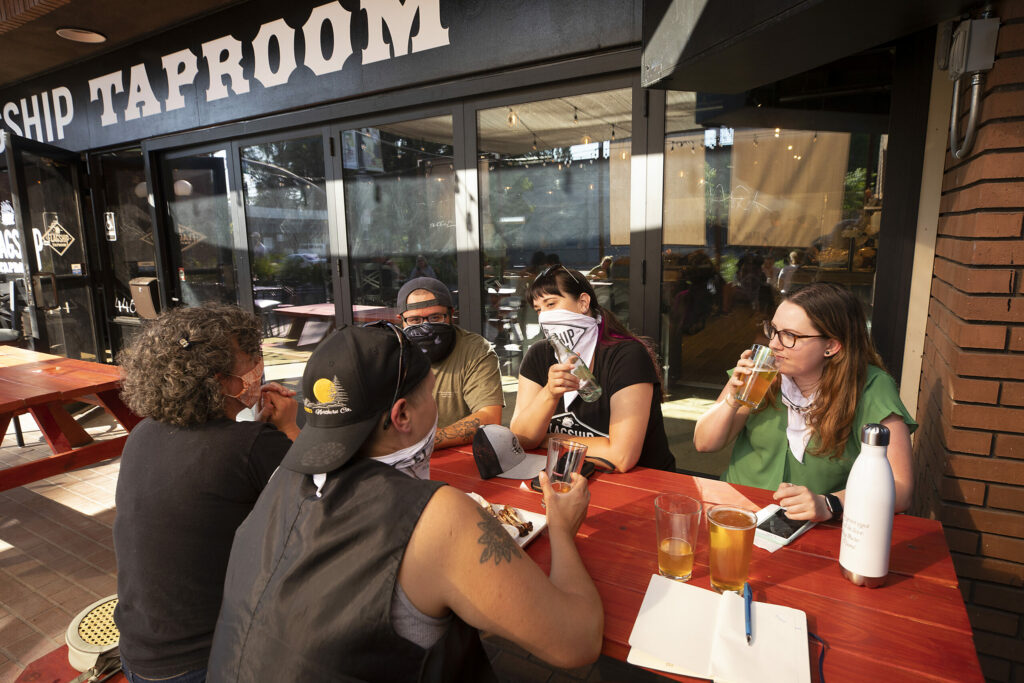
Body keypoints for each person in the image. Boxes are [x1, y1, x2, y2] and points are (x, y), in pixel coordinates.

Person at [207, 323, 602, 681]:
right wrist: (563, 529)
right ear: (401, 415)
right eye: (429, 393)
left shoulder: (280, 479)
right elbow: (576, 644)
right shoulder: (436, 514)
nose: (433, 404)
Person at [113, 304, 299, 683]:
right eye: (249, 359)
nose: (258, 368)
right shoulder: (250, 445)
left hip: (138, 653)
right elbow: (326, 499)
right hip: (206, 660)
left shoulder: (143, 434)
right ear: (218, 380)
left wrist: (260, 437)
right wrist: (290, 430)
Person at [693, 282, 916, 522]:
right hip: (738, 510)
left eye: (790, 335)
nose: (774, 344)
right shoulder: (763, 370)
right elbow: (704, 444)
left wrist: (830, 503)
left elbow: (900, 487)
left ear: (831, 346)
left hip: (810, 526)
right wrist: (732, 401)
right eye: (774, 330)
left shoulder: (870, 387)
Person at [510, 264, 676, 472]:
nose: (544, 316)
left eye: (551, 304)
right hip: (567, 477)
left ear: (583, 302)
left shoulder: (627, 356)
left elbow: (621, 457)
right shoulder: (538, 355)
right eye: (538, 310)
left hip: (641, 485)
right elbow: (520, 438)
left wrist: (549, 439)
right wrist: (549, 394)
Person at [397, 277, 504, 448]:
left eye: (435, 317)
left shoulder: (474, 350)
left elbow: (490, 417)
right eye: (415, 320)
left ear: (451, 314)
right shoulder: (390, 353)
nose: (426, 327)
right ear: (401, 320)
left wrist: (429, 441)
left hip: (457, 455)